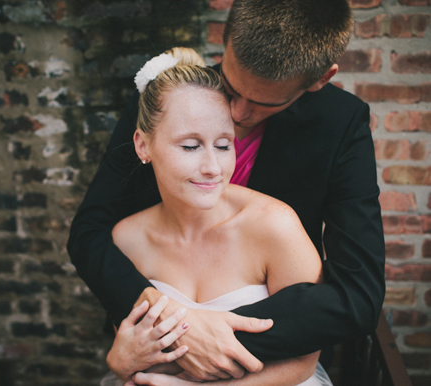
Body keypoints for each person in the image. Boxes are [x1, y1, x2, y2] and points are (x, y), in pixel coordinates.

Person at [67, 0, 385, 380]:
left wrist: (206, 334)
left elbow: (356, 297)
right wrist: (176, 325)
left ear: (320, 78)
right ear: (226, 38)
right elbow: (90, 232)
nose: (235, 114)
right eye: (232, 88)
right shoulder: (165, 99)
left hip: (270, 360)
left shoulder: (340, 123)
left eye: (264, 102)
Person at [100, 47, 333, 386]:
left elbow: (303, 362)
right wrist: (118, 362)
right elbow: (131, 352)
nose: (212, 168)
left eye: (223, 145)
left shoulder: (275, 225)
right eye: (191, 146)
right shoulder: (126, 240)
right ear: (142, 146)